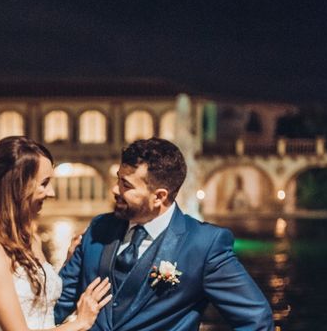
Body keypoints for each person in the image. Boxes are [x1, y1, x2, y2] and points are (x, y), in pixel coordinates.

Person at [55, 138, 274, 331]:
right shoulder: (98, 227)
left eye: (126, 185)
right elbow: (55, 304)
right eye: (118, 178)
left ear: (159, 196)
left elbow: (256, 320)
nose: (114, 189)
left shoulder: (204, 245)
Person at [0, 136, 112, 331]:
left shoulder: (30, 238)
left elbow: (42, 307)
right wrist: (80, 322)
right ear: (17, 185)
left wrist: (71, 260)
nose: (51, 193)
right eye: (44, 183)